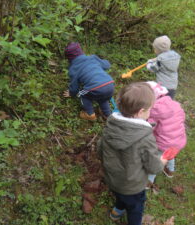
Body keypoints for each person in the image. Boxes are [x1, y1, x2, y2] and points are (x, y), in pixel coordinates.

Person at [97, 82, 167, 225]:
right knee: (135, 209)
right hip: (133, 186)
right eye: (150, 109)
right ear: (141, 111)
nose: (150, 112)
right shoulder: (145, 138)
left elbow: (100, 150)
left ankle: (116, 212)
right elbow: (154, 167)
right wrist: (163, 161)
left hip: (113, 179)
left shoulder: (110, 125)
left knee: (120, 196)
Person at [146, 81, 186, 188]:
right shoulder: (175, 104)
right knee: (170, 153)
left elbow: (149, 127)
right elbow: (182, 117)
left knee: (157, 160)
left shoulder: (154, 110)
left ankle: (148, 181)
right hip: (179, 140)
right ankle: (170, 171)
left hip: (163, 143)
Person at [63, 42, 114, 121]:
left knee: (82, 94)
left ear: (69, 58)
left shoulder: (73, 69)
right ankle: (108, 115)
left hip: (95, 87)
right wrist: (105, 62)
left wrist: (71, 93)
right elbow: (106, 65)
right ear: (81, 51)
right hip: (110, 84)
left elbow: (74, 86)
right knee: (103, 98)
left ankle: (89, 114)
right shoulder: (92, 58)